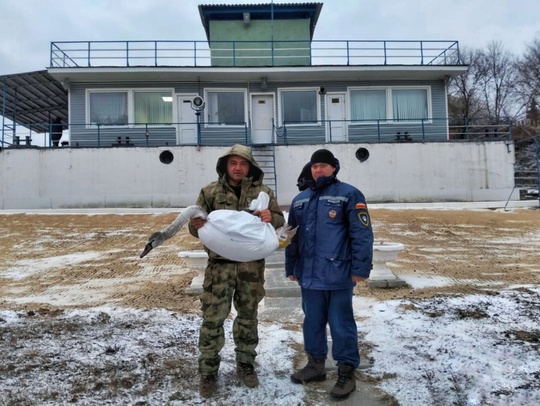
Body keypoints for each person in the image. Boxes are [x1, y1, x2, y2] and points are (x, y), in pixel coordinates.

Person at [188, 144, 285, 398]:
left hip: (250, 269)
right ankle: (208, 372)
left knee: (248, 317)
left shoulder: (263, 192)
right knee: (212, 319)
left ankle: (245, 364)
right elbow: (195, 226)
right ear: (225, 166)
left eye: (243, 164)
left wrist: (269, 217)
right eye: (234, 163)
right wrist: (195, 224)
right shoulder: (209, 191)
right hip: (219, 268)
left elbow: (279, 221)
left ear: (250, 166)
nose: (239, 168)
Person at [285, 148, 374, 400]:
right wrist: (291, 267)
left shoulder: (349, 194)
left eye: (323, 166)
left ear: (334, 168)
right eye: (314, 167)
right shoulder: (300, 199)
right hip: (309, 276)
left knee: (341, 323)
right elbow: (292, 237)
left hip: (339, 275)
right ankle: (315, 365)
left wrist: (360, 268)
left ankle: (346, 372)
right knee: (312, 322)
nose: (318, 170)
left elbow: (362, 234)